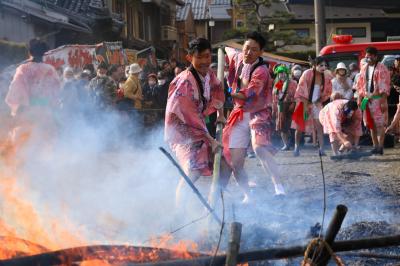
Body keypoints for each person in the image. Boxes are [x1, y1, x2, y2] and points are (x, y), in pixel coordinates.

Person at [222, 31, 285, 200]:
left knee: (260, 148)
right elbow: (228, 50)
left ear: (261, 52)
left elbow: (248, 93)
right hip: (239, 113)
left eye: (254, 50)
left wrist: (227, 92)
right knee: (235, 162)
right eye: (247, 48)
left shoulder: (262, 71)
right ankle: (247, 195)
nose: (248, 52)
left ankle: (279, 187)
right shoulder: (237, 57)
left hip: (259, 112)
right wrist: (224, 48)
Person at [164, 38, 225, 203]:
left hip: (198, 130)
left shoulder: (207, 74)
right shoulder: (185, 82)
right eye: (200, 57)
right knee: (192, 172)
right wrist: (211, 140)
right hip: (182, 133)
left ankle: (215, 200)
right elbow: (190, 117)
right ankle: (179, 214)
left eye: (207, 56)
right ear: (189, 58)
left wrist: (220, 113)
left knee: (224, 164)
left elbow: (218, 87)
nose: (205, 61)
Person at [5, 38, 61, 145]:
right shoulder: (50, 69)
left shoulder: (23, 68)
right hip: (45, 110)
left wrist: (17, 108)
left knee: (25, 139)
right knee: (45, 140)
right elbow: (56, 90)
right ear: (44, 53)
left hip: (28, 109)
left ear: (30, 52)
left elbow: (16, 88)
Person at [291, 56, 333, 156]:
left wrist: (321, 99)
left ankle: (321, 148)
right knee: (300, 127)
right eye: (321, 65)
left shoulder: (326, 76)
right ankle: (296, 147)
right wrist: (306, 106)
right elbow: (301, 89)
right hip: (303, 102)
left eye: (325, 65)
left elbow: (328, 90)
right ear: (315, 65)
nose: (323, 67)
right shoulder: (307, 73)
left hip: (316, 103)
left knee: (319, 125)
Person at [355, 46, 391, 155]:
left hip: (378, 99)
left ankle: (380, 146)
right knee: (371, 124)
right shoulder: (364, 68)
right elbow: (360, 84)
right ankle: (375, 145)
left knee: (380, 124)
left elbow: (384, 86)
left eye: (370, 57)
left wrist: (384, 101)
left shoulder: (382, 68)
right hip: (366, 99)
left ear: (375, 57)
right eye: (367, 57)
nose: (368, 59)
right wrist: (360, 98)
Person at [272, 65, 297, 151]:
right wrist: (274, 109)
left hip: (290, 105)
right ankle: (286, 144)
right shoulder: (278, 84)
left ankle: (295, 143)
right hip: (281, 107)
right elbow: (275, 98)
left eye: (283, 73)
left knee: (292, 126)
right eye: (280, 74)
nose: (282, 75)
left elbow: (296, 95)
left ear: (286, 73)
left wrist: (293, 104)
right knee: (282, 127)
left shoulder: (293, 83)